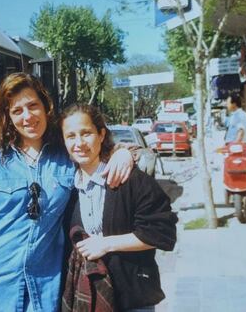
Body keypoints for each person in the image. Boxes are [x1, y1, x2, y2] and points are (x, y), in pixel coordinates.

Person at [0, 73, 134, 312]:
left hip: (42, 292)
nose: (27, 117)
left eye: (33, 106)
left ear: (46, 107)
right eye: (17, 111)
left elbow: (96, 149)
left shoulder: (66, 157)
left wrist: (123, 151)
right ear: (8, 117)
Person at [60, 104, 178, 312]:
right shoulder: (65, 190)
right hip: (88, 298)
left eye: (86, 133)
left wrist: (106, 244)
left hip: (132, 297)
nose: (79, 143)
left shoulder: (129, 180)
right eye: (71, 136)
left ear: (101, 134)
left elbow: (162, 232)